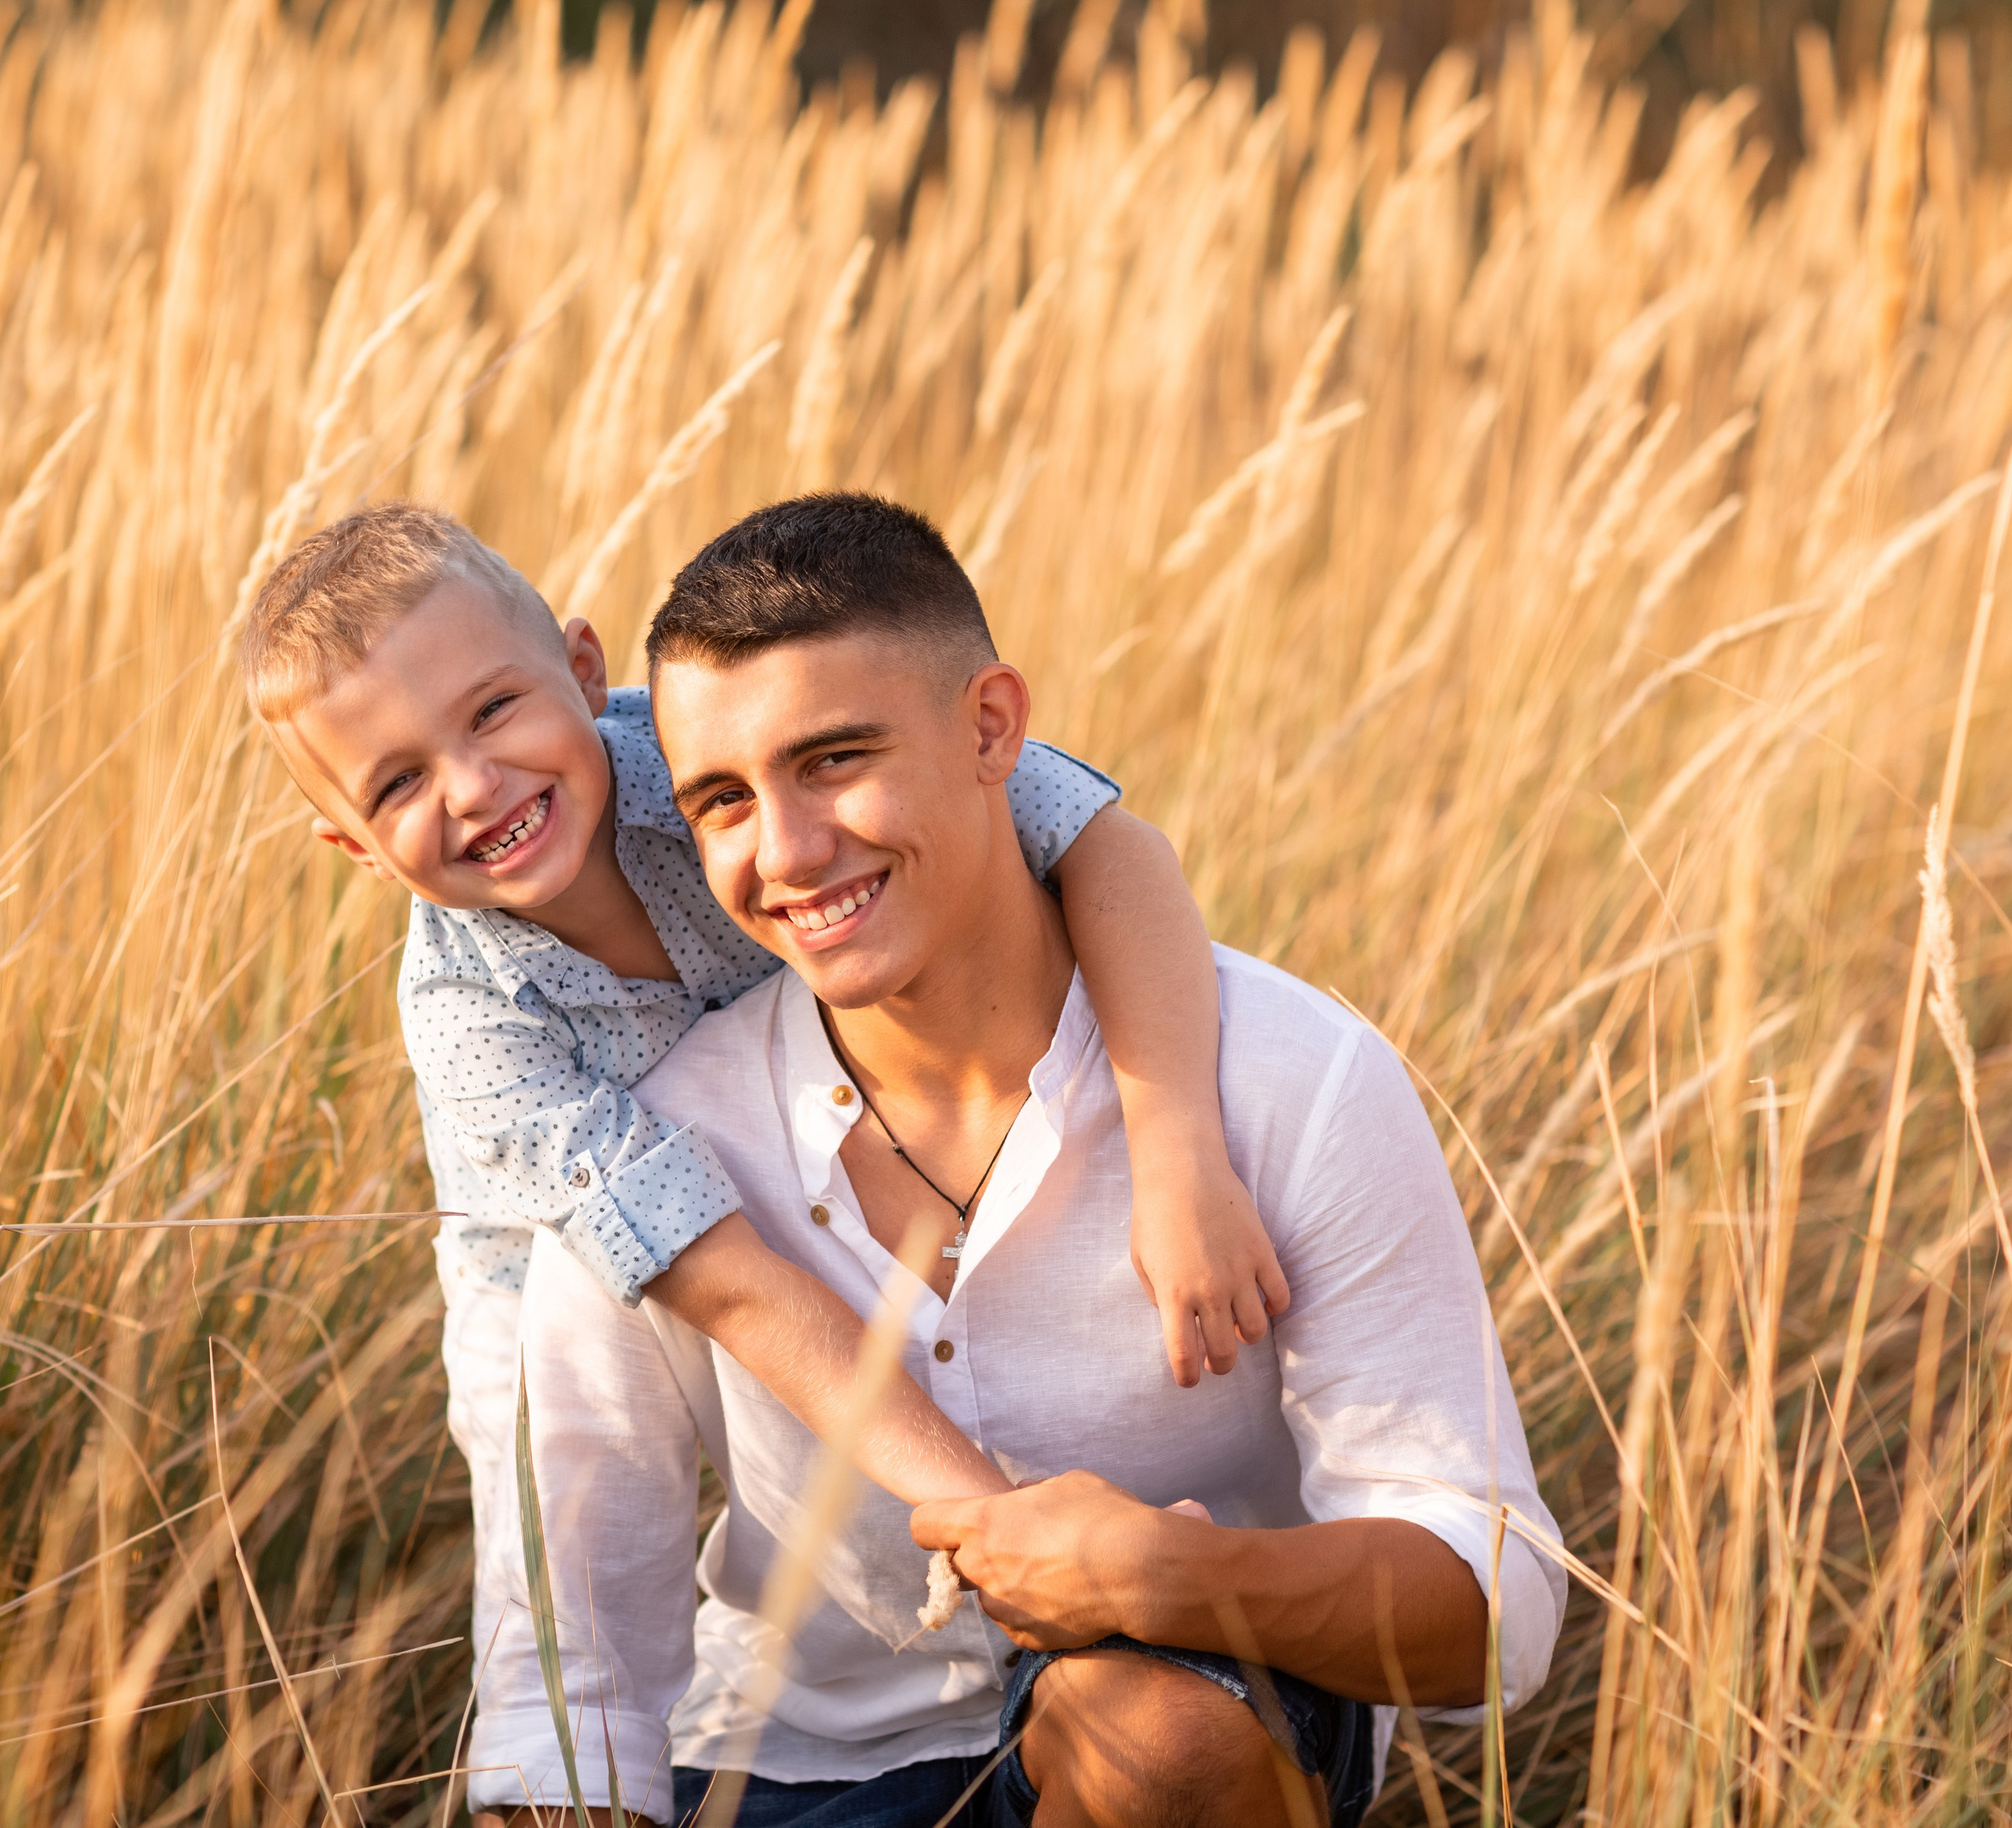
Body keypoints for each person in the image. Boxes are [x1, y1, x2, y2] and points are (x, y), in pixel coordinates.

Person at [473, 495, 1563, 1827]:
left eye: (834, 759)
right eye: (722, 802)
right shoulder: (659, 1145)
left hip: (1194, 1725)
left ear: (993, 727)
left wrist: (1170, 1580)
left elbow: (1497, 1610)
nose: (787, 852)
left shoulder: (1292, 1078)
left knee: (1158, 1742)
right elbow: (569, 1671)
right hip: (786, 1767)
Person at [237, 503, 1289, 1708]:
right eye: (397, 782)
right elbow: (728, 1282)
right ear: (355, 847)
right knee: (562, 1578)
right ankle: (602, 1764)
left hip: (831, 1155)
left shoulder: (729, 753)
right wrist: (1001, 1528)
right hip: (558, 1262)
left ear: (582, 667)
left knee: (949, 1381)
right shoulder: (469, 1019)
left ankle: (1019, 1659)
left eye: (491, 712)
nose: (474, 787)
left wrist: (1176, 1154)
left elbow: (1101, 839)